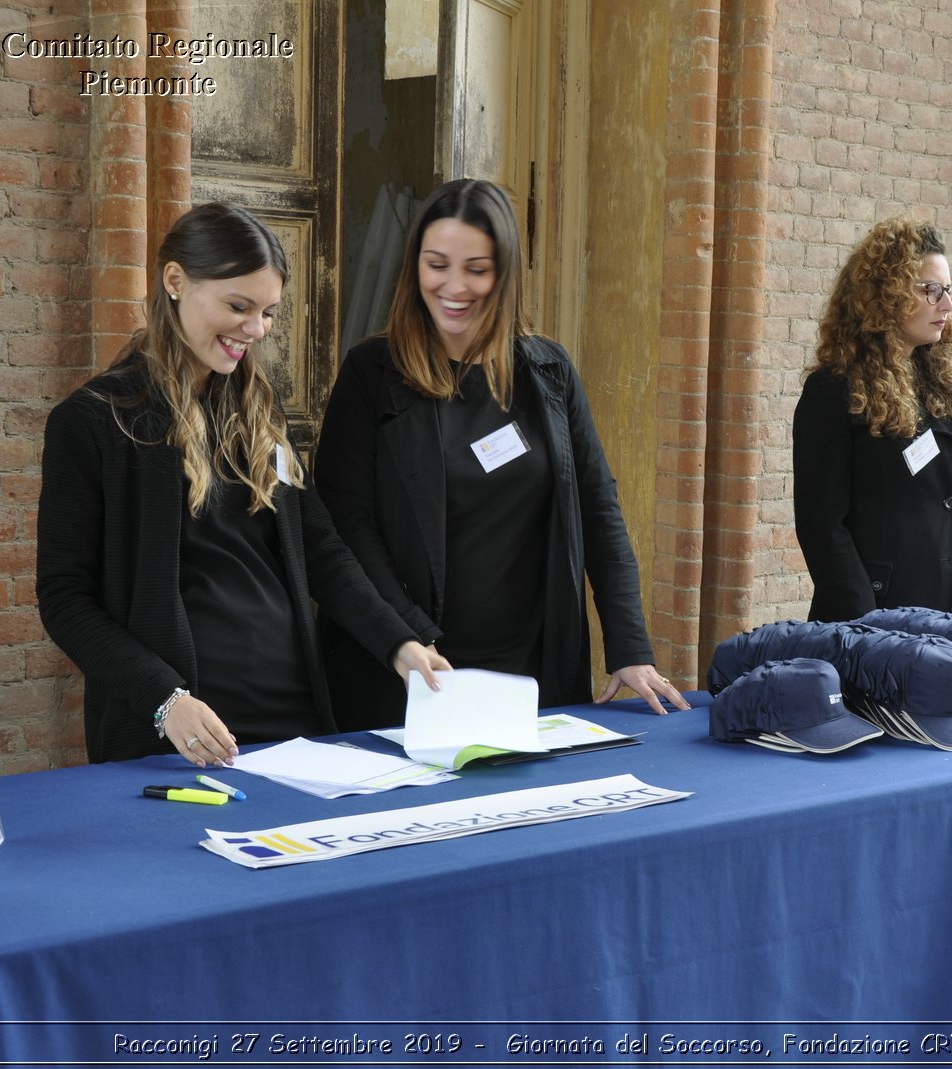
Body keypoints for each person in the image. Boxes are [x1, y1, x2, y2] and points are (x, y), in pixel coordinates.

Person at [37, 203, 449, 766]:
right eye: (238, 307)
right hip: (180, 737)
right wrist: (165, 701)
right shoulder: (91, 423)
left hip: (296, 725)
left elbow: (322, 550)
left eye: (268, 312)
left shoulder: (261, 412)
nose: (255, 330)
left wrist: (397, 642)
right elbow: (65, 601)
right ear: (175, 281)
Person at [312, 177, 686, 726]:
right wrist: (410, 635)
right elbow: (348, 526)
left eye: (476, 270)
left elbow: (599, 510)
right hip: (410, 668)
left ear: (505, 273)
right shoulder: (371, 374)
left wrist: (629, 647)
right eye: (437, 265)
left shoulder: (549, 372)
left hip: (531, 671)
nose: (454, 286)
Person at [793, 218, 952, 624]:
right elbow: (823, 527)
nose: (947, 304)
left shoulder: (943, 386)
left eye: (949, 291)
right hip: (881, 616)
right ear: (884, 295)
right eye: (930, 290)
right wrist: (869, 627)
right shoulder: (834, 390)